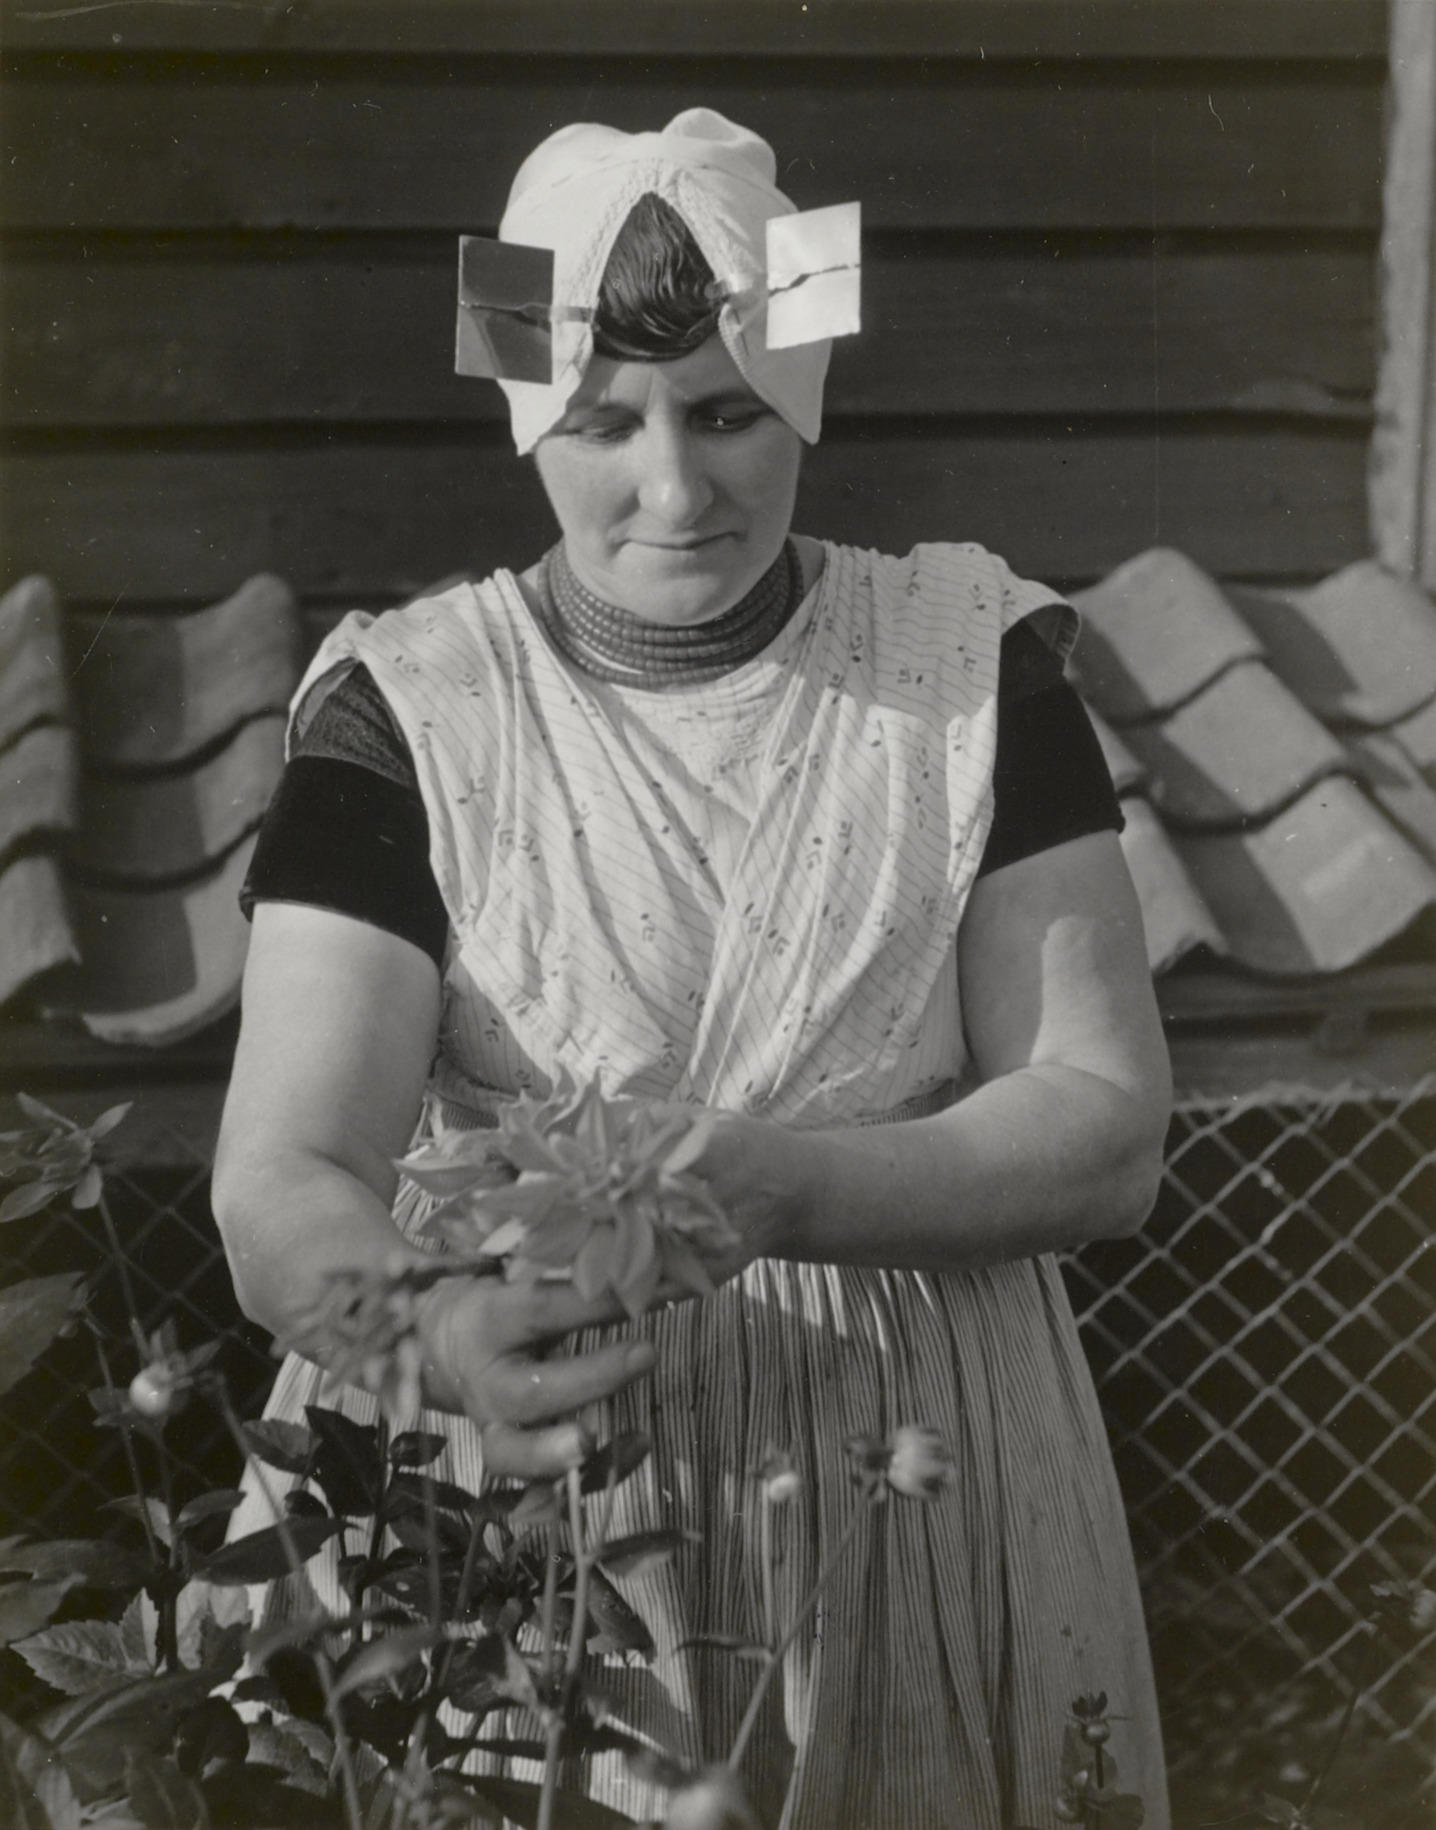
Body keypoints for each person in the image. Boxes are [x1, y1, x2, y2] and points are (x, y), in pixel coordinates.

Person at [213, 108, 1173, 1829]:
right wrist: (433, 1332)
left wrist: (783, 1186)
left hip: (910, 1482)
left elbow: (1103, 1123)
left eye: (727, 411)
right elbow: (281, 1175)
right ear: (530, 415)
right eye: (604, 422)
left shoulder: (972, 671)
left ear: (804, 386)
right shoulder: (408, 713)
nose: (673, 487)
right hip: (519, 1482)